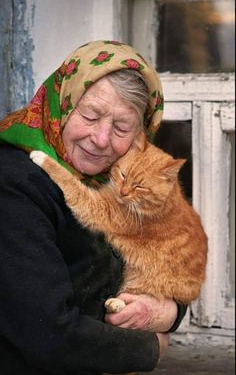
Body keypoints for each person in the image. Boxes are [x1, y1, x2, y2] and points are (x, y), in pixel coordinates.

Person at [0, 40, 187, 375]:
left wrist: (167, 311)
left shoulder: (118, 180)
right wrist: (150, 349)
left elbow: (171, 257)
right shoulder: (14, 184)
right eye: (90, 115)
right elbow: (47, 333)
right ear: (63, 103)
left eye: (121, 127)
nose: (101, 139)